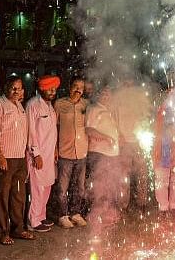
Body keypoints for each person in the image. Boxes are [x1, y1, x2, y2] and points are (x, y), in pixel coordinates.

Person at [0, 76, 35, 244]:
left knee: (18, 195)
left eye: (19, 88)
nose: (16, 91)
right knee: (3, 196)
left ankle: (18, 229)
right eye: (13, 88)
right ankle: (2, 231)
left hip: (19, 158)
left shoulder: (19, 106)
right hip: (6, 158)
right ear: (5, 88)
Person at [113, 75, 153, 213]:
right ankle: (124, 205)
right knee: (124, 175)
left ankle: (142, 202)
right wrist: (119, 135)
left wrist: (144, 134)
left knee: (142, 173)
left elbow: (147, 117)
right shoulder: (117, 100)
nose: (128, 85)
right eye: (126, 82)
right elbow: (113, 121)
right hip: (124, 143)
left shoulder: (140, 99)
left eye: (130, 82)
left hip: (139, 143)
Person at [26, 75, 60, 232]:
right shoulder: (33, 105)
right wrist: (36, 153)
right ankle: (33, 221)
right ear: (41, 88)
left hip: (49, 154)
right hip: (38, 155)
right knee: (37, 188)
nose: (52, 91)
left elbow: (52, 132)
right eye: (49, 88)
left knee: (47, 186)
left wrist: (54, 151)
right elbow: (31, 131)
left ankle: (41, 216)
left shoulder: (50, 106)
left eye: (54, 88)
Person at [54, 77, 89, 228]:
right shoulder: (60, 104)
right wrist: (54, 148)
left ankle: (75, 213)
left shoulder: (86, 105)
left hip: (81, 152)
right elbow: (53, 127)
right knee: (62, 188)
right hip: (65, 152)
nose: (78, 90)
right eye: (75, 86)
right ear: (70, 87)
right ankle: (62, 215)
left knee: (79, 187)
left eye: (81, 87)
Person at [85, 86, 122, 225]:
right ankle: (97, 215)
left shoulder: (108, 110)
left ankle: (108, 213)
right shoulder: (94, 109)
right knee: (100, 185)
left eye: (108, 94)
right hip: (99, 153)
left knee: (109, 184)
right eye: (103, 94)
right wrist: (106, 138)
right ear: (98, 95)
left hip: (111, 154)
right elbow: (89, 129)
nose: (106, 96)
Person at [153, 87, 175, 219]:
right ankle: (163, 207)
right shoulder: (160, 110)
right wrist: (157, 148)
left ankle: (174, 205)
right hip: (161, 147)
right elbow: (156, 130)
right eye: (169, 93)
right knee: (161, 180)